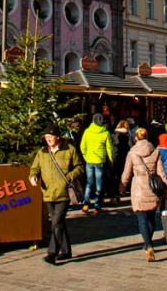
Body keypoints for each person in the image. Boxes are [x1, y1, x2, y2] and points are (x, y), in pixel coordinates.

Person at [30, 124, 83, 265]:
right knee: (59, 223)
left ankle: (52, 253)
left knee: (56, 222)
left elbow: (79, 167)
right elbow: (35, 167)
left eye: (51, 137)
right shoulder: (42, 152)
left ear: (57, 137)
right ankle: (66, 251)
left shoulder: (69, 150)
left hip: (63, 192)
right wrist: (34, 176)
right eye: (46, 137)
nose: (48, 139)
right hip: (48, 192)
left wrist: (70, 176)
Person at [122, 127, 167, 261]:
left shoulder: (132, 152)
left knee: (141, 218)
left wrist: (122, 185)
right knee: (151, 218)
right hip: (153, 188)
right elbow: (161, 172)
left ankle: (148, 245)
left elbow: (127, 172)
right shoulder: (156, 151)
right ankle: (148, 242)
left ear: (136, 137)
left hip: (139, 187)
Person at [80, 113, 113, 215]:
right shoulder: (106, 132)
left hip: (89, 160)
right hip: (100, 161)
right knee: (99, 185)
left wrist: (86, 157)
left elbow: (82, 147)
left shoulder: (87, 131)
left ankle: (86, 204)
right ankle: (97, 206)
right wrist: (111, 160)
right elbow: (109, 149)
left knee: (89, 183)